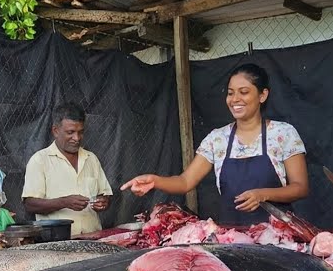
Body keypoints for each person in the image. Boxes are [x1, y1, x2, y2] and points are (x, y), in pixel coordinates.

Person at [122, 63, 309, 225]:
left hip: (278, 237)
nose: (235, 99)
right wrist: (155, 180)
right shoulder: (217, 139)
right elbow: (185, 181)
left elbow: (300, 187)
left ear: (262, 95)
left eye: (244, 92)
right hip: (233, 236)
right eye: (230, 93)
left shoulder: (283, 133)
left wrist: (263, 194)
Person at [21, 102, 113, 236]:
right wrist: (64, 202)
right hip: (57, 242)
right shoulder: (40, 160)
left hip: (92, 238)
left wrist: (103, 202)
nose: (76, 138)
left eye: (80, 132)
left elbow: (105, 195)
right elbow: (30, 204)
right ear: (55, 131)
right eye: (70, 132)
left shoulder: (91, 159)